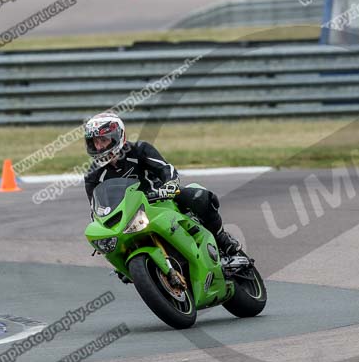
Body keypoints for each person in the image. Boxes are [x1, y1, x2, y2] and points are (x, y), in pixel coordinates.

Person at [83, 112, 242, 262]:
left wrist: (170, 184)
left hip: (159, 198)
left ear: (118, 137)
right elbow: (96, 209)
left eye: (103, 140)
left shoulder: (139, 150)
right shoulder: (92, 175)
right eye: (95, 142)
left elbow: (165, 168)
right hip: (129, 216)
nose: (99, 147)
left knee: (200, 197)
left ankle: (221, 237)